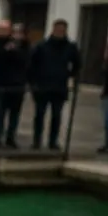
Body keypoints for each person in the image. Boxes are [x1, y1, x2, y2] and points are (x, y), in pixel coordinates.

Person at [28, 19, 81, 150]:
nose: (60, 32)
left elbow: (77, 64)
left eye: (62, 30)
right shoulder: (42, 46)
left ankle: (53, 141)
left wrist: (69, 75)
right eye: (58, 30)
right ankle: (37, 141)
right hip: (42, 86)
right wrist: (33, 83)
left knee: (56, 116)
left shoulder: (70, 47)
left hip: (59, 87)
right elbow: (32, 65)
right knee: (39, 115)